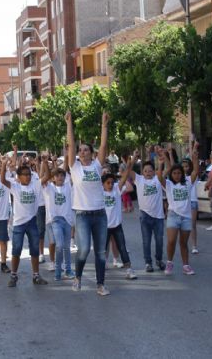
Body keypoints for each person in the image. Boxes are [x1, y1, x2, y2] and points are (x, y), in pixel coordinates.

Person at [66, 110, 110, 296]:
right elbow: (70, 143)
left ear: (92, 154)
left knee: (100, 252)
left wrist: (104, 124)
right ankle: (78, 277)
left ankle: (100, 285)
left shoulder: (97, 165)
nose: (83, 152)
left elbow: (103, 144)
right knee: (84, 250)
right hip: (82, 215)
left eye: (86, 150)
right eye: (80, 150)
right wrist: (69, 122)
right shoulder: (74, 167)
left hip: (99, 214)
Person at [0, 156, 48, 288]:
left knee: (34, 250)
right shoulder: (15, 186)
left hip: (32, 222)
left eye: (29, 174)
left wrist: (44, 162)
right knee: (17, 250)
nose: (28, 177)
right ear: (19, 176)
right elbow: (3, 180)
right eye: (25, 175)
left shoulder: (36, 185)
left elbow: (47, 176)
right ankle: (13, 276)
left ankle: (36, 276)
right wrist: (3, 164)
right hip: (19, 224)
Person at [122, 149, 166, 273]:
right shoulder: (139, 179)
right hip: (145, 216)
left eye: (150, 170)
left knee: (159, 240)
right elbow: (128, 171)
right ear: (142, 172)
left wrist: (161, 161)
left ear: (154, 171)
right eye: (145, 171)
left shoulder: (157, 179)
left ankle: (159, 260)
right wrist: (133, 159)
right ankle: (148, 262)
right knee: (146, 241)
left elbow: (163, 172)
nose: (148, 173)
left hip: (158, 216)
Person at [160, 148, 199, 276]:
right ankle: (169, 263)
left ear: (182, 174)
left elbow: (196, 171)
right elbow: (159, 177)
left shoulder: (188, 183)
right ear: (171, 174)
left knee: (183, 243)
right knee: (171, 241)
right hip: (173, 215)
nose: (177, 175)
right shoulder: (169, 184)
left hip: (186, 217)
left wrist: (195, 157)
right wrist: (163, 160)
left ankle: (186, 266)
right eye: (174, 173)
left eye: (179, 173)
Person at [40, 157, 76, 281]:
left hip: (67, 220)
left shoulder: (68, 187)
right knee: (59, 245)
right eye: (58, 176)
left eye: (62, 176)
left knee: (66, 247)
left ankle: (68, 270)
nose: (60, 177)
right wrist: (45, 163)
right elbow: (45, 176)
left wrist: (66, 155)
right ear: (53, 178)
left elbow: (67, 167)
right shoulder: (49, 188)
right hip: (55, 220)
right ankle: (58, 268)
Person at [102, 169, 137, 280]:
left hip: (117, 226)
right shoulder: (99, 192)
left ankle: (129, 270)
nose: (110, 184)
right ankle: (101, 268)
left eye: (112, 182)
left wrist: (129, 164)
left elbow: (125, 178)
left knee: (122, 248)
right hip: (104, 227)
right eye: (108, 182)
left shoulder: (116, 190)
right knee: (102, 250)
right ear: (102, 183)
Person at [181, 157, 199, 254]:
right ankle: (184, 244)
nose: (185, 168)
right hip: (183, 202)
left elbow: (196, 169)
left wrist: (195, 156)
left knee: (192, 224)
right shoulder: (179, 177)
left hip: (192, 201)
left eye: (187, 166)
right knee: (183, 225)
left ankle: (194, 245)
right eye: (183, 167)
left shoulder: (193, 175)